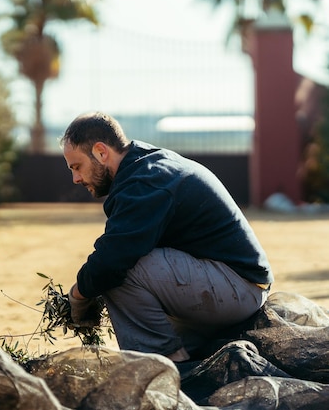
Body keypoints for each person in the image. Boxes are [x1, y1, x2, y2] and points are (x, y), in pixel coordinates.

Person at [62, 111, 273, 362]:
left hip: (238, 288)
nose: (76, 178)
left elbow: (112, 260)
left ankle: (168, 365)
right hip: (230, 283)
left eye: (77, 167)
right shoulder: (145, 167)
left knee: (120, 270)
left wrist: (77, 296)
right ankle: (183, 352)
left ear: (100, 152)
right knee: (120, 263)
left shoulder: (146, 181)